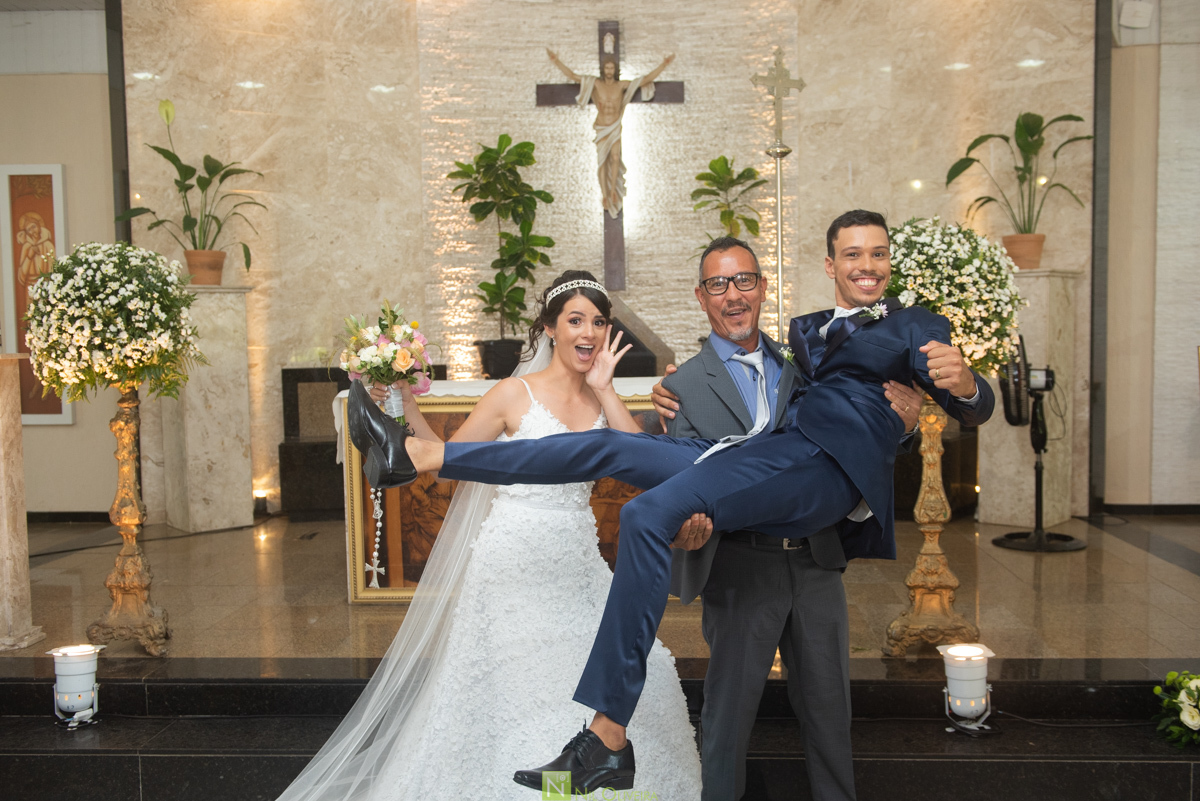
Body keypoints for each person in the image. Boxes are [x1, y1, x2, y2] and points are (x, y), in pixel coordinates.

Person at [348, 209, 996, 794]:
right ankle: (421, 457)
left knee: (648, 516)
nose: (865, 265)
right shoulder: (792, 342)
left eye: (876, 253)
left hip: (808, 478)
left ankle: (607, 736)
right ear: (831, 264)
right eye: (852, 254)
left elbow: (961, 396)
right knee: (612, 454)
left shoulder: (907, 325)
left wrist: (958, 391)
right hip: (737, 484)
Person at [283, 271, 701, 801]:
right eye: (575, 320)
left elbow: (641, 460)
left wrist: (605, 389)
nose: (588, 332)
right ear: (550, 328)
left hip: (577, 563)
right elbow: (454, 464)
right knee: (524, 688)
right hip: (512, 560)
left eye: (598, 322)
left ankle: (591, 770)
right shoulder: (512, 393)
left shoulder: (603, 401)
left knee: (640, 673)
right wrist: (407, 404)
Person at [651, 235, 923, 801]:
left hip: (817, 561)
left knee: (830, 712)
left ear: (762, 288)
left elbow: (853, 437)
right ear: (701, 297)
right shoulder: (681, 388)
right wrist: (684, 524)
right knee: (728, 718)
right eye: (718, 284)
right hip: (739, 566)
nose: (733, 295)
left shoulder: (808, 365)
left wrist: (904, 426)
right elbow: (680, 479)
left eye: (744, 280)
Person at [547, 47, 674, 218]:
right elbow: (573, 76)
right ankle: (605, 194)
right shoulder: (596, 84)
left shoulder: (621, 86)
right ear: (603, 69)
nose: (609, 71)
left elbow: (644, 80)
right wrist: (556, 61)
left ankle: (613, 189)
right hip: (601, 127)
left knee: (615, 157)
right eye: (606, 68)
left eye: (611, 68)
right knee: (602, 161)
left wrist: (664, 65)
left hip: (614, 126)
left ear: (615, 70)